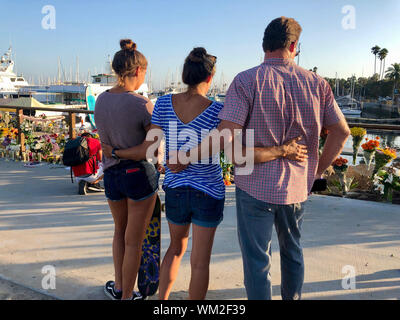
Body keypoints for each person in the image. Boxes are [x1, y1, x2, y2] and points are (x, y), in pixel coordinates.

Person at [102, 47, 308, 300]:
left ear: (185, 75)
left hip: (176, 189)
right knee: (199, 262)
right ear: (210, 78)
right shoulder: (218, 110)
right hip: (208, 191)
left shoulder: (164, 103)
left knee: (175, 250)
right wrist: (281, 150)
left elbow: (153, 144)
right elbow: (234, 149)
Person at [213, 17, 350, 300]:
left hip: (254, 187)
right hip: (297, 187)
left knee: (257, 260)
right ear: (293, 45)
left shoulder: (245, 81)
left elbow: (227, 142)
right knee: (293, 251)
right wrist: (315, 170)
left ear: (264, 44)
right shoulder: (317, 84)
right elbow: (341, 132)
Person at [94, 39, 160, 300]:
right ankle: (127, 297)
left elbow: (106, 143)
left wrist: (115, 153)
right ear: (137, 71)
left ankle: (120, 287)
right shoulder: (141, 104)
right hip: (138, 175)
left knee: (119, 233)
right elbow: (150, 150)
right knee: (134, 241)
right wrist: (123, 152)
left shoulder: (101, 100)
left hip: (111, 175)